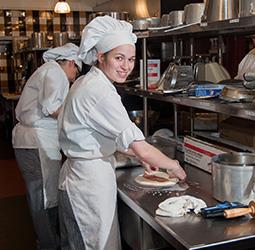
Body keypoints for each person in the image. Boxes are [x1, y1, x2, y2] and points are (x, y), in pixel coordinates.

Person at [57, 16, 186, 250]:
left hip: (79, 178)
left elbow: (98, 134)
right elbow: (140, 144)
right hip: (87, 185)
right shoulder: (99, 91)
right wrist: (174, 165)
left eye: (131, 59)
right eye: (119, 58)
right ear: (101, 56)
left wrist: (138, 157)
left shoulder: (88, 82)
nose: (126, 66)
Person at [12, 43, 82, 250]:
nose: (74, 77)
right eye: (76, 71)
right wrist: (79, 121)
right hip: (36, 142)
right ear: (70, 62)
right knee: (44, 197)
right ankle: (49, 245)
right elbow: (52, 107)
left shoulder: (48, 71)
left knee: (42, 196)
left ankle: (45, 241)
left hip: (34, 141)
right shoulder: (54, 72)